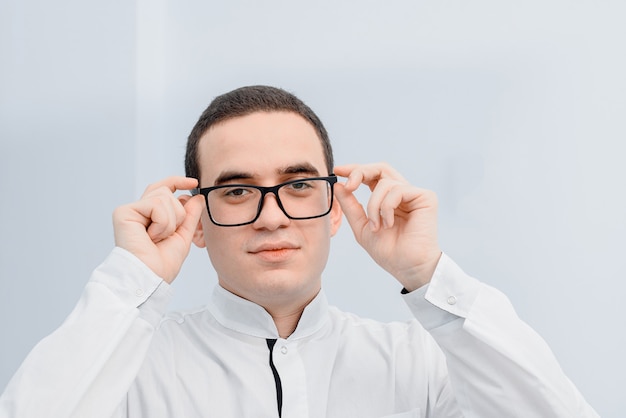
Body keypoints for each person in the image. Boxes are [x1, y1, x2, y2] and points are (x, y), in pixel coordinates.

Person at [0, 86, 598, 418]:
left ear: (336, 206)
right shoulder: (130, 368)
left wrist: (428, 275)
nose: (272, 216)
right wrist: (132, 281)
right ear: (197, 219)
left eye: (299, 185)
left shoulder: (421, 366)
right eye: (237, 191)